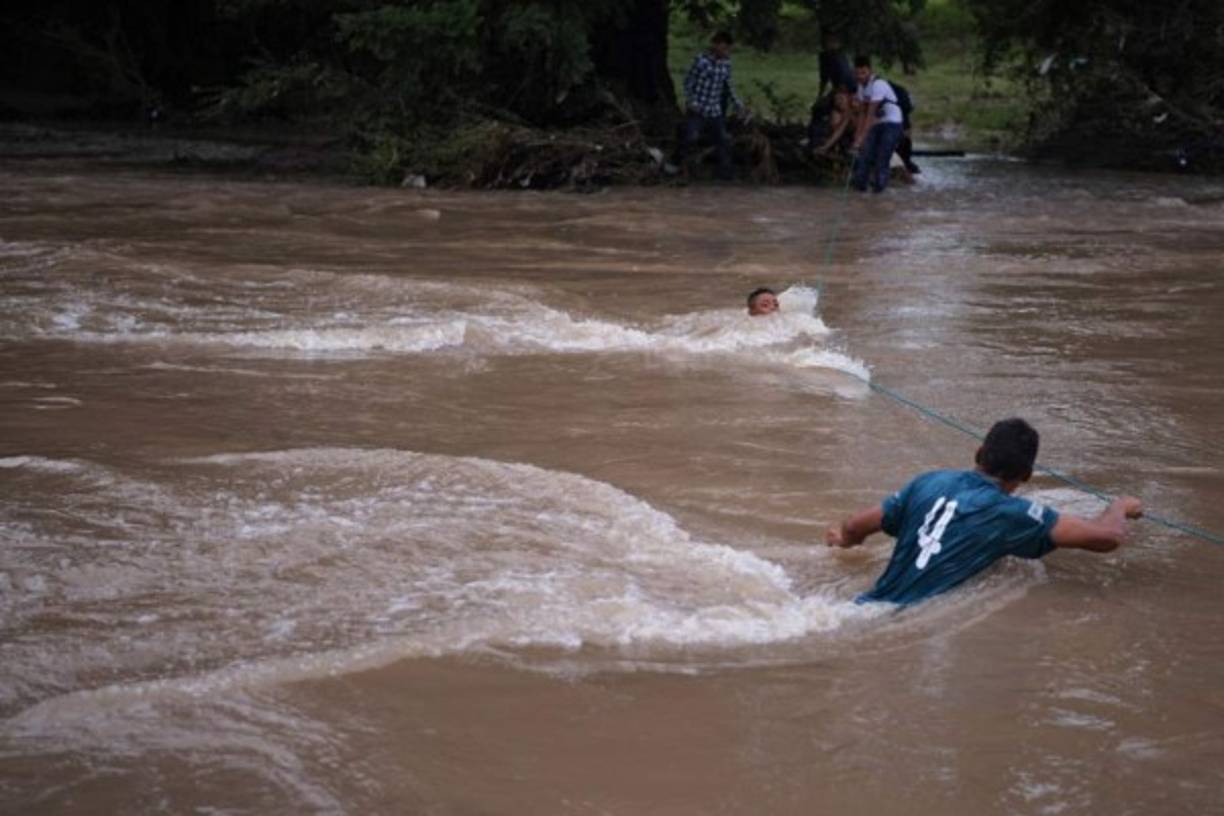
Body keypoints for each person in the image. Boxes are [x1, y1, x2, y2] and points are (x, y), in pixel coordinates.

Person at [826, 417, 1144, 605]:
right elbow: (1109, 537)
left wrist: (843, 542)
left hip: (863, 604)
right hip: (900, 618)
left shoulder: (929, 480)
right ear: (1026, 476)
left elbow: (855, 527)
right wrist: (1120, 506)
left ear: (979, 452)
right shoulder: (1014, 514)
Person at [675, 31, 747, 181]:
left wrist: (738, 104)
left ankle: (725, 175)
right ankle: (677, 165)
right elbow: (688, 82)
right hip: (698, 109)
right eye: (723, 47)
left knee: (723, 140)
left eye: (728, 48)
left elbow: (728, 86)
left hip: (714, 110)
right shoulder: (701, 61)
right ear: (715, 45)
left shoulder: (726, 63)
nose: (726, 51)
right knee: (690, 137)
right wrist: (692, 101)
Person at [850, 55, 905, 193]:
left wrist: (861, 138)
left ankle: (879, 191)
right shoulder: (861, 87)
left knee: (882, 157)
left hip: (892, 123)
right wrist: (857, 138)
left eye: (863, 73)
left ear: (870, 71)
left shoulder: (878, 85)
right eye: (857, 73)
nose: (860, 76)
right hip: (877, 123)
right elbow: (862, 114)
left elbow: (870, 114)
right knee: (865, 155)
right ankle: (860, 189)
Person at [810, 89, 855, 157]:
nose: (839, 102)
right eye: (836, 100)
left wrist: (825, 147)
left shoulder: (852, 111)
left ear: (848, 98)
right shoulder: (836, 113)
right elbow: (837, 129)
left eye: (841, 98)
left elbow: (839, 130)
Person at [817, 31, 857, 99]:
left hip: (848, 87)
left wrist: (840, 90)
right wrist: (820, 95)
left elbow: (845, 73)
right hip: (838, 88)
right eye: (828, 41)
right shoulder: (823, 56)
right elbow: (824, 77)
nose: (830, 44)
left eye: (833, 41)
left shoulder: (839, 56)